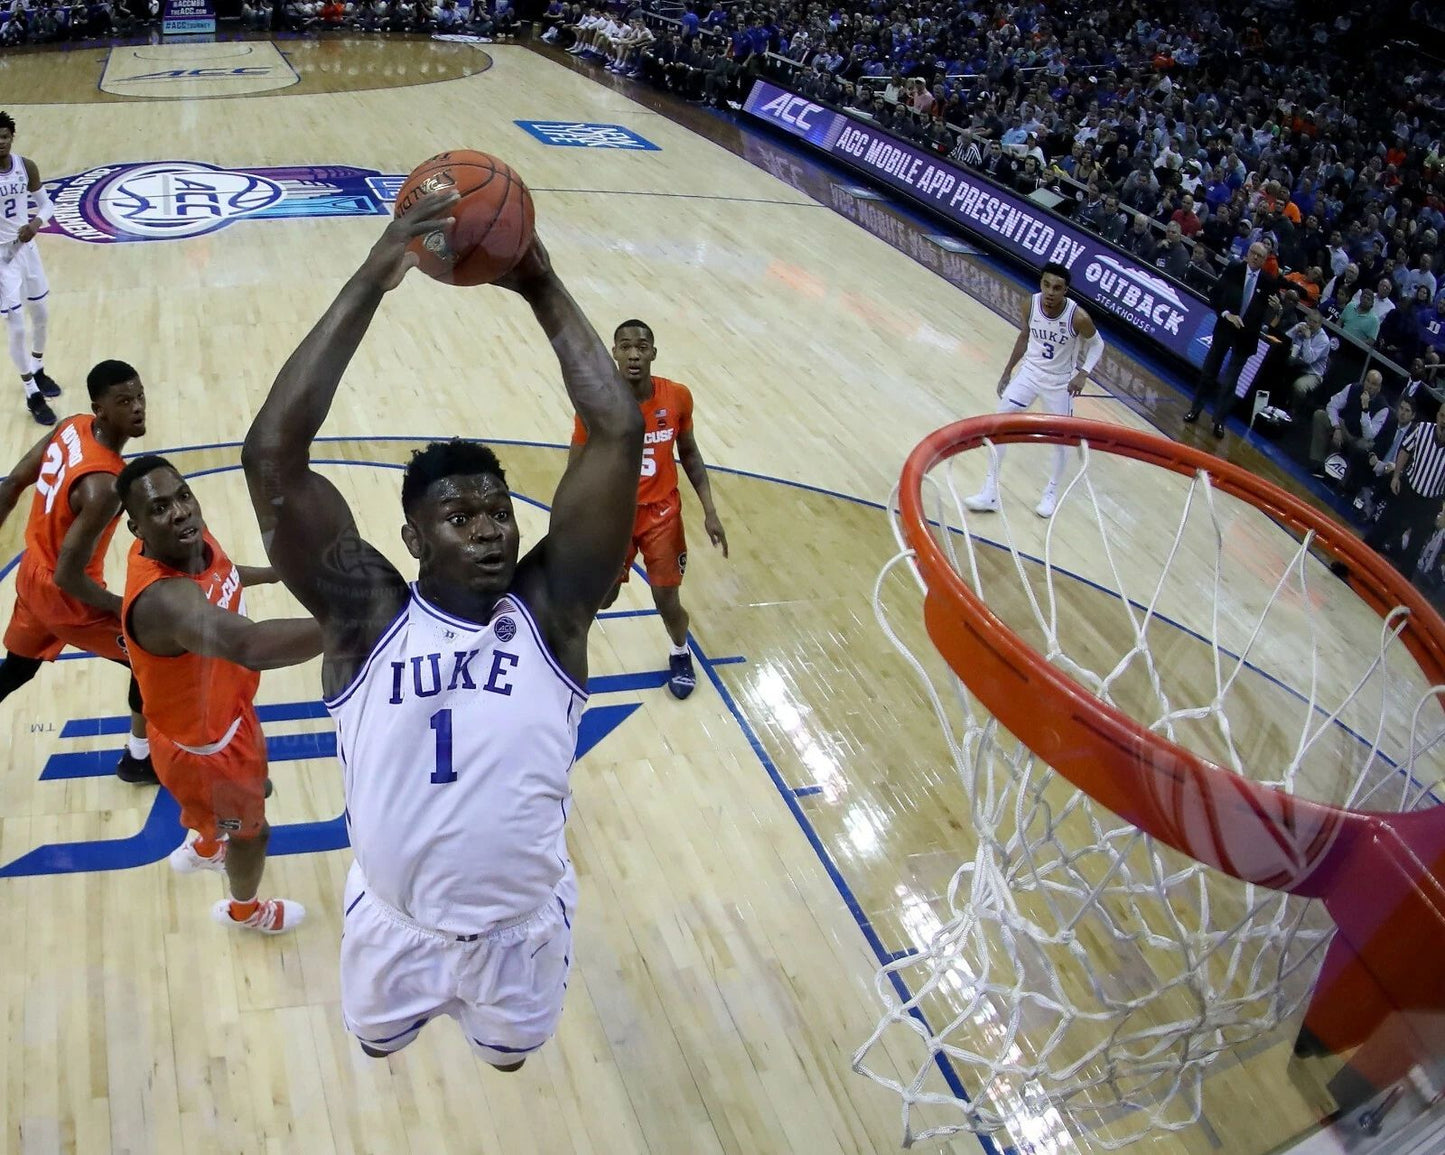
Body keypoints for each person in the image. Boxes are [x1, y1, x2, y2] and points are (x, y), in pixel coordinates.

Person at [241, 193, 644, 1068]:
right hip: (394, 927)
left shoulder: (551, 611)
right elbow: (272, 453)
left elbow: (617, 432)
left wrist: (538, 282)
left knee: (508, 1057)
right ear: (414, 538)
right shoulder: (363, 613)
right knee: (378, 1048)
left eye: (498, 511)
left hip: (521, 933)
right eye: (460, 517)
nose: (491, 528)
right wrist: (377, 273)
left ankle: (495, 1040)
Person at [116, 456, 319, 934]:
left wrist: (269, 574)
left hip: (225, 715)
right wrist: (352, 625)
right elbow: (247, 644)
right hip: (207, 754)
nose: (181, 511)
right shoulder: (166, 600)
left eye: (183, 496)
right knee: (253, 833)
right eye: (160, 507)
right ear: (135, 527)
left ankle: (208, 842)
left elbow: (222, 573)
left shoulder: (190, 541)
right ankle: (243, 911)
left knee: (241, 804)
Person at [0, 360, 156, 783]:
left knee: (16, 670)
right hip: (66, 593)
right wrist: (126, 607)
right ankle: (139, 758)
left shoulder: (72, 426)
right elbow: (71, 577)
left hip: (33, 574)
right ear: (100, 408)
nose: (138, 407)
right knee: (151, 654)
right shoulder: (105, 485)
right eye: (124, 401)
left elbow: (11, 484)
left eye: (140, 396)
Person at [570, 320, 728, 699]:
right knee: (601, 597)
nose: (634, 354)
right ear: (614, 352)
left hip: (662, 515)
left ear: (653, 353)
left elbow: (688, 452)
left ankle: (680, 652)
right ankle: (562, 659)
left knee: (666, 599)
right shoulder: (596, 402)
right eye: (625, 346)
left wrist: (710, 510)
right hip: (614, 516)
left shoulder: (676, 397)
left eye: (641, 346)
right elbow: (576, 465)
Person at [964, 262, 1103, 518]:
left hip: (1060, 383)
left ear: (1066, 291)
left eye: (1057, 288)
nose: (1051, 292)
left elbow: (1097, 345)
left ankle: (1051, 493)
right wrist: (1007, 372)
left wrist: (1083, 374)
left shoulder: (1078, 317)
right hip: (1029, 374)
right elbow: (1024, 336)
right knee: (999, 426)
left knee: (1061, 442)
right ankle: (989, 492)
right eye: (1046, 285)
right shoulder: (1030, 304)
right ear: (1041, 284)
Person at [0, 111, 60, 426]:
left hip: (27, 249)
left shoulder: (26, 167)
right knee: (17, 325)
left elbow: (47, 204)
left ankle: (38, 368)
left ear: (12, 137)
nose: (0, 142)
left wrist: (36, 223)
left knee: (41, 315)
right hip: (1, 258)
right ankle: (31, 392)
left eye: (4, 136)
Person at [1185, 241, 1280, 438]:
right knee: (1209, 372)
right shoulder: (1234, 269)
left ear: (1264, 260)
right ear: (1247, 254)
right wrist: (1227, 314)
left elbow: (1269, 317)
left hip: (1246, 337)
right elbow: (1215, 296)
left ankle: (1219, 421)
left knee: (1230, 382)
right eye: (1253, 253)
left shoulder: (1269, 282)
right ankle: (1195, 409)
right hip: (1225, 329)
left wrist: (1277, 308)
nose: (1255, 257)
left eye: (1259, 256)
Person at [1365, 402, 1445, 578]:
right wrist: (1396, 476)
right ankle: (1353, 563)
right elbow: (1405, 449)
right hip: (1409, 488)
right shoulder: (1422, 428)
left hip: (1430, 501)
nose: (1443, 421)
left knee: (1414, 550)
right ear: (1438, 415)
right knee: (1380, 529)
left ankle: (1399, 596)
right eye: (1442, 416)